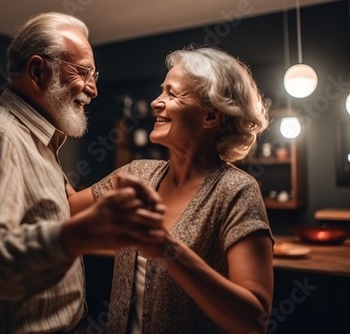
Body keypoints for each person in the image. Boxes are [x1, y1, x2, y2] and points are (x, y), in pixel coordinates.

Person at [0, 12, 167, 334]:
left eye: (94, 75)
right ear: (37, 71)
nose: (93, 90)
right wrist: (78, 235)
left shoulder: (41, 141)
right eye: (83, 73)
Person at [68, 46, 274, 333]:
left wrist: (167, 249)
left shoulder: (236, 190)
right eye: (161, 91)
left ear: (210, 116)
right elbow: (63, 208)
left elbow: (255, 320)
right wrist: (46, 130)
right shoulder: (136, 174)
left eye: (172, 94)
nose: (155, 102)